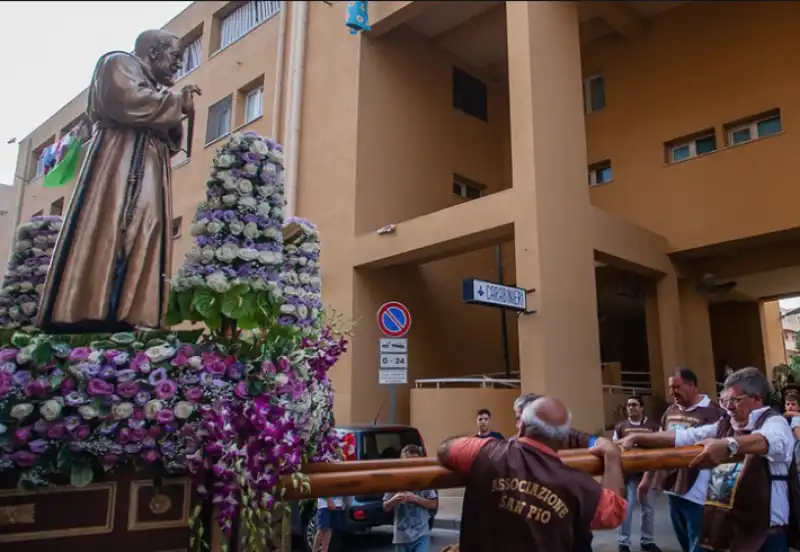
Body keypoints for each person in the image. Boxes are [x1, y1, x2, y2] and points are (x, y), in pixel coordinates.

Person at [37, 29, 202, 334]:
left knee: (148, 227)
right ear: (154, 51)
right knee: (108, 225)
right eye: (176, 57)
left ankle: (136, 310)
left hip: (150, 163)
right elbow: (125, 101)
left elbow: (170, 136)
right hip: (117, 159)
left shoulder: (155, 87)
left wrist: (178, 110)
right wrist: (175, 104)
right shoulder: (117, 63)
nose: (178, 66)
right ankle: (88, 309)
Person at [619, 367, 799, 552]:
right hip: (731, 528)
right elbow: (684, 436)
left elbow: (766, 441)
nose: (729, 407)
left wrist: (728, 445)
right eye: (724, 401)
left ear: (756, 399)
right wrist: (638, 438)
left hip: (766, 535)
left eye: (735, 400)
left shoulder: (775, 423)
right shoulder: (725, 425)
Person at [438, 396, 627, 551]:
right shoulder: (577, 484)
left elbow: (445, 450)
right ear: (562, 440)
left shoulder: (487, 452)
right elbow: (614, 512)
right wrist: (611, 455)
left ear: (521, 427)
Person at [632, 368, 726, 552]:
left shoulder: (714, 412)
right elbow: (657, 445)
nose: (672, 392)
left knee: (699, 545)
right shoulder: (670, 411)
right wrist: (646, 479)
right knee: (685, 543)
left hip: (699, 494)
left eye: (677, 387)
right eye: (670, 388)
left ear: (692, 386)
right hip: (672, 489)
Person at [612, 395, 662, 552]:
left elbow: (660, 447)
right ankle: (624, 542)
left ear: (642, 408)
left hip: (648, 473)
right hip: (629, 475)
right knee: (627, 508)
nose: (631, 407)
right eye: (628, 405)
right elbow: (614, 446)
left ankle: (647, 540)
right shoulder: (621, 427)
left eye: (634, 405)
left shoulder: (653, 426)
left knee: (648, 508)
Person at [383, 444, 439, 552]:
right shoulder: (394, 480)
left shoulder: (424, 479)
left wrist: (416, 499)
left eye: (414, 462)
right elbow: (385, 506)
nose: (410, 466)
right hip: (401, 537)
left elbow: (434, 503)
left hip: (421, 534)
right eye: (406, 462)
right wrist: (394, 500)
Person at [512, 393, 598, 448]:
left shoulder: (570, 437)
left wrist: (599, 443)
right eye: (517, 420)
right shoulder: (514, 446)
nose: (517, 425)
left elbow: (594, 442)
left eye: (520, 419)